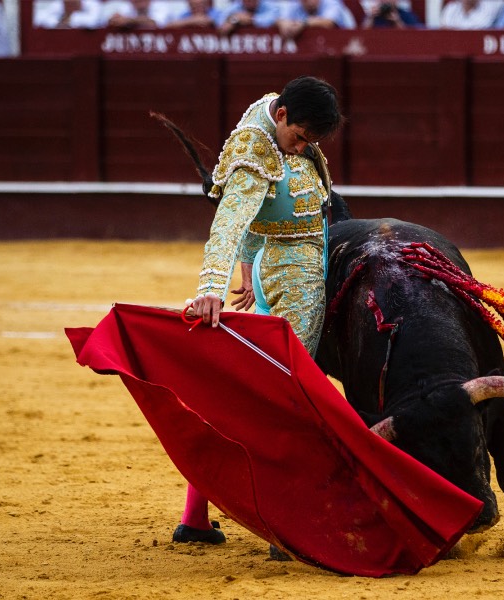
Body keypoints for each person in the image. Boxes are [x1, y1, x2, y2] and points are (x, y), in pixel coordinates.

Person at [176, 76, 344, 547]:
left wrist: (248, 265)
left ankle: (195, 515)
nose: (300, 149)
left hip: (271, 264)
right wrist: (210, 288)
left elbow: (260, 208)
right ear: (285, 115)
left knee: (246, 390)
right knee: (290, 396)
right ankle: (282, 527)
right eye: (300, 138)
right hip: (296, 275)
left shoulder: (271, 112)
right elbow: (230, 220)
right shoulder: (258, 146)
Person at [275, 0, 355, 40]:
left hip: (343, 42)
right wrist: (282, 23)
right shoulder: (294, 3)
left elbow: (329, 22)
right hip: (310, 51)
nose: (310, 2)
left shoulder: (331, 2)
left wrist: (304, 24)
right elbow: (279, 18)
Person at [104, 0, 173, 29]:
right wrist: (114, 20)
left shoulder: (160, 5)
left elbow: (155, 23)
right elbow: (112, 20)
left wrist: (129, 21)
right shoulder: (126, 6)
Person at [33, 0, 103, 28]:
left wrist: (70, 19)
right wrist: (59, 22)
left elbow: (93, 21)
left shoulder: (92, 4)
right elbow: (38, 18)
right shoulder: (58, 5)